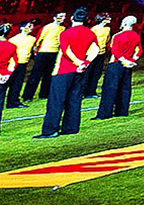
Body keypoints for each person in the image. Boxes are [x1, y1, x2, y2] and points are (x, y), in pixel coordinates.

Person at [35, 8, 99, 138]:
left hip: (63, 70)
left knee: (56, 101)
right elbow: (95, 49)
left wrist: (77, 62)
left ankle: (50, 130)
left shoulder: (66, 33)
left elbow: (66, 50)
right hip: (80, 71)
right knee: (74, 100)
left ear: (72, 18)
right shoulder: (90, 33)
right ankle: (71, 128)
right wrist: (85, 63)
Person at [96, 15, 142, 119]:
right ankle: (122, 111)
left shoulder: (117, 36)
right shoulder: (135, 35)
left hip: (116, 64)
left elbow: (115, 51)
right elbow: (139, 50)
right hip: (128, 65)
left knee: (109, 88)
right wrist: (132, 60)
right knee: (125, 88)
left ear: (124, 23)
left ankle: (104, 113)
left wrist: (124, 61)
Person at [23, 11, 66, 102]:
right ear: (55, 18)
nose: (63, 18)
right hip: (43, 52)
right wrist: (36, 49)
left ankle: (44, 94)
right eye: (61, 16)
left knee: (48, 74)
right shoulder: (48, 27)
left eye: (64, 17)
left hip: (54, 52)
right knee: (35, 74)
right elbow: (39, 38)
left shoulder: (62, 28)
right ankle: (27, 96)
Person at [5, 20, 38, 109]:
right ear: (22, 28)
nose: (31, 28)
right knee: (5, 83)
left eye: (31, 26)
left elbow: (33, 49)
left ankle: (13, 101)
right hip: (13, 64)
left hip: (23, 64)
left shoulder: (32, 39)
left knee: (18, 84)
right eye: (29, 26)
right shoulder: (14, 39)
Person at [81, 13, 112, 98]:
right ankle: (83, 91)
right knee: (87, 73)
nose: (109, 19)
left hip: (101, 53)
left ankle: (91, 91)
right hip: (91, 54)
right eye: (107, 17)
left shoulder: (107, 29)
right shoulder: (94, 29)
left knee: (97, 73)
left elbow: (107, 39)